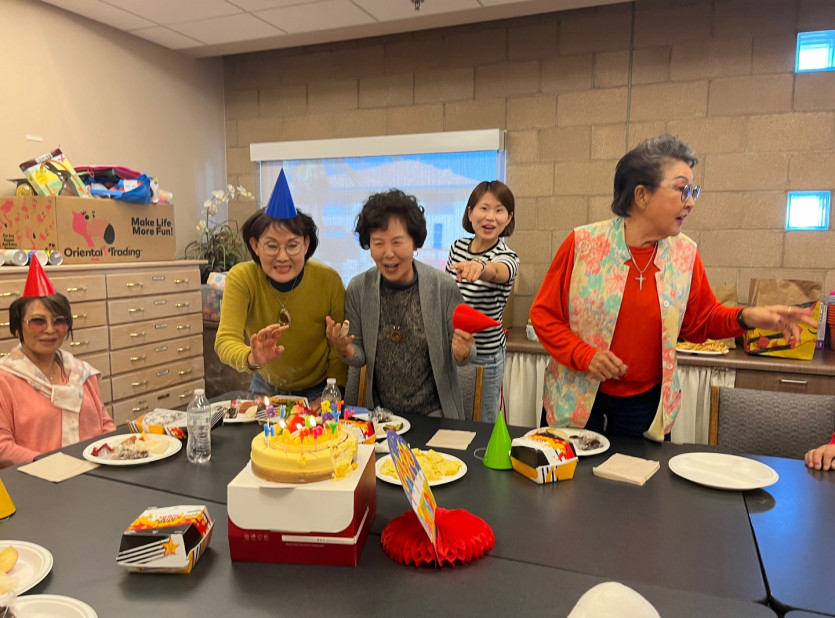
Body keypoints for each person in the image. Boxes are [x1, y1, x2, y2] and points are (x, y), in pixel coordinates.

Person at [530, 134, 818, 441]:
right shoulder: (583, 244)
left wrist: (746, 317)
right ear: (641, 195)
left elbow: (699, 322)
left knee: (637, 474)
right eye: (682, 190)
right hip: (575, 396)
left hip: (645, 405)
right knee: (569, 471)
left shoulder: (684, 254)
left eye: (693, 191)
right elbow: (544, 315)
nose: (691, 202)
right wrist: (585, 355)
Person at [326, 189, 475, 419]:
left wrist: (463, 352)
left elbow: (466, 352)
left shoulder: (442, 286)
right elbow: (359, 356)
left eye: (397, 242)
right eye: (378, 243)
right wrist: (343, 348)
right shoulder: (359, 288)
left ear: (415, 243)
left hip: (435, 415)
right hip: (381, 417)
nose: (388, 254)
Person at [214, 170, 347, 402]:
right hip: (264, 386)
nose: (283, 257)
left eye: (292, 245)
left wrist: (331, 394)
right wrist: (252, 357)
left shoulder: (329, 281)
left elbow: (337, 348)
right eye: (272, 246)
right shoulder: (242, 278)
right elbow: (225, 340)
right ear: (255, 246)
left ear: (306, 244)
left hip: (319, 390)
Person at [0, 259, 114, 468]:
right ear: (17, 328)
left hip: (95, 474)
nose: (50, 330)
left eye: (59, 321)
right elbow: (3, 448)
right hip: (35, 478)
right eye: (37, 321)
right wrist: (56, 466)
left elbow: (105, 424)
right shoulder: (4, 380)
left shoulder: (81, 372)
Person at [446, 180, 518, 423]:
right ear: (470, 213)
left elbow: (498, 271)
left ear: (508, 218)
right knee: (453, 418)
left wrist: (480, 266)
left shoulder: (508, 256)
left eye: (499, 210)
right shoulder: (457, 247)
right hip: (455, 351)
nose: (490, 217)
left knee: (482, 424)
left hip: (485, 358)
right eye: (484, 208)